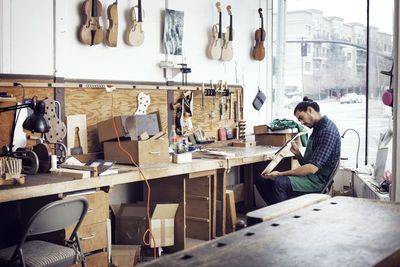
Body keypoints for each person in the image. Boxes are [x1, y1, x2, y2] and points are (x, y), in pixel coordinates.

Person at [255, 96, 341, 205]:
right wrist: (298, 154)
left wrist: (280, 174)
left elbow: (311, 168)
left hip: (317, 182)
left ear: (310, 110)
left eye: (301, 117)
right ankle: (279, 212)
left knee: (278, 184)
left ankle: (283, 218)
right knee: (261, 182)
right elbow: (311, 164)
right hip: (311, 176)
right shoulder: (317, 129)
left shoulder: (327, 131)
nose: (301, 123)